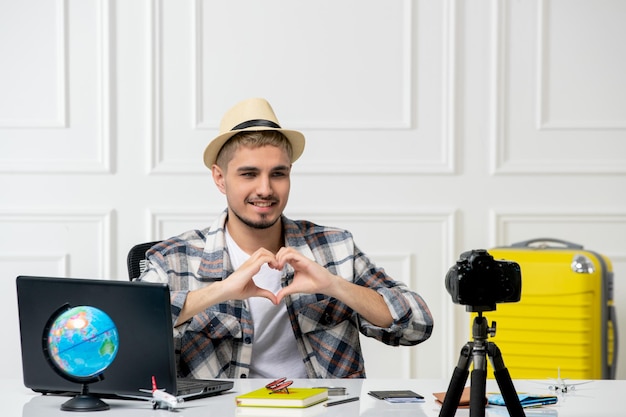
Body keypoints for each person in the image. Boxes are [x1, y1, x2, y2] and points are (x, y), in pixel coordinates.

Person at [138, 97, 434, 379]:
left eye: (278, 174)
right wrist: (221, 290)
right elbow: (125, 333)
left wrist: (334, 285)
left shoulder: (334, 248)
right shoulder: (174, 259)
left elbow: (417, 325)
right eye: (249, 174)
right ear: (219, 178)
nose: (265, 189)